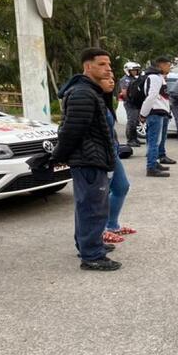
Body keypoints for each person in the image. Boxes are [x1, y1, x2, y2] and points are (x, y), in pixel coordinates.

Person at [52, 48, 120, 272]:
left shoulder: (92, 91)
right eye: (102, 64)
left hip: (93, 157)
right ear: (87, 66)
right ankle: (92, 256)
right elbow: (72, 130)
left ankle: (89, 245)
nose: (108, 68)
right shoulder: (83, 93)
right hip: (88, 159)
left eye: (109, 64)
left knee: (89, 206)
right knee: (93, 208)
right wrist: (59, 156)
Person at [102, 72, 135, 244]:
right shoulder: (93, 100)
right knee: (100, 194)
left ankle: (112, 224)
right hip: (101, 155)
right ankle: (100, 231)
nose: (110, 82)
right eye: (106, 79)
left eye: (112, 80)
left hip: (112, 152)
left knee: (122, 186)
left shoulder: (107, 103)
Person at [140, 56, 176, 177]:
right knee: (154, 141)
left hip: (160, 112)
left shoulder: (159, 77)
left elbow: (162, 97)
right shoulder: (154, 77)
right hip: (155, 112)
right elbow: (151, 96)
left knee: (157, 140)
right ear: (161, 65)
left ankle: (154, 163)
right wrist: (143, 113)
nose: (169, 67)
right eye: (168, 65)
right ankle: (151, 167)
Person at [119, 62, 142, 147]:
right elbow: (124, 92)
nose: (135, 72)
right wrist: (130, 100)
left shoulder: (134, 79)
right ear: (128, 70)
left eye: (136, 70)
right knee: (131, 121)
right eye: (133, 70)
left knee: (136, 121)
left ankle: (135, 138)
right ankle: (130, 140)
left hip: (136, 103)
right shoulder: (125, 79)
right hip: (130, 103)